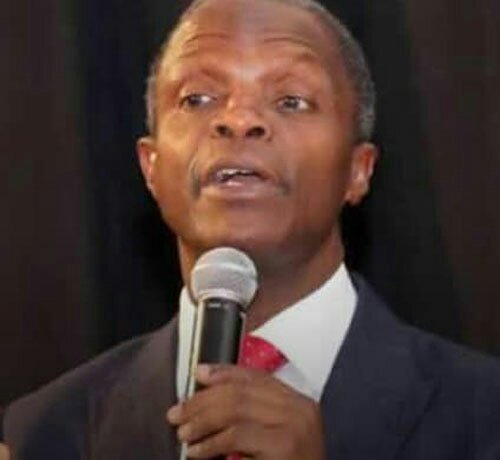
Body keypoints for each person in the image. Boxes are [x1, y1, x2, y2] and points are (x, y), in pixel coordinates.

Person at [3, 0, 500, 458]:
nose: (238, 120)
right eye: (198, 98)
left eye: (291, 101)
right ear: (150, 167)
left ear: (358, 170)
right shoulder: (40, 434)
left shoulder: (485, 414)